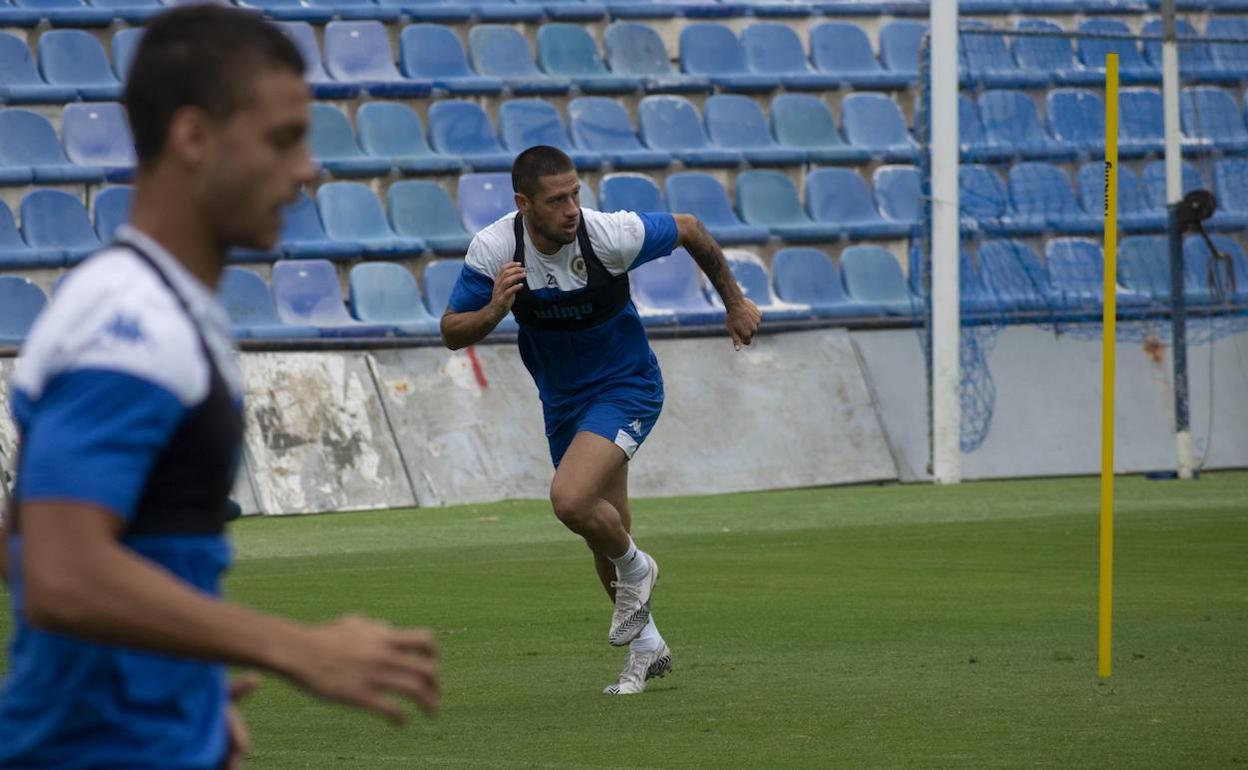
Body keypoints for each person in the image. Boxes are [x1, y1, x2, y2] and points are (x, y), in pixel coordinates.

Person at [0, 8, 438, 769]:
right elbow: (59, 573)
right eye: (282, 139)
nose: (310, 170)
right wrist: (296, 647)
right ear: (194, 138)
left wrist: (187, 683)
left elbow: (24, 535)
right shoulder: (129, 326)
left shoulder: (162, 310)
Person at [441, 146, 761, 694]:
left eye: (575, 194)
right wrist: (495, 310)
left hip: (626, 386)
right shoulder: (495, 249)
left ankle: (638, 568)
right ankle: (646, 649)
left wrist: (734, 301)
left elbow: (690, 228)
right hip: (563, 401)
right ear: (523, 203)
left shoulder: (609, 235)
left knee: (570, 500)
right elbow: (451, 331)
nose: (571, 208)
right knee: (601, 528)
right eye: (556, 199)